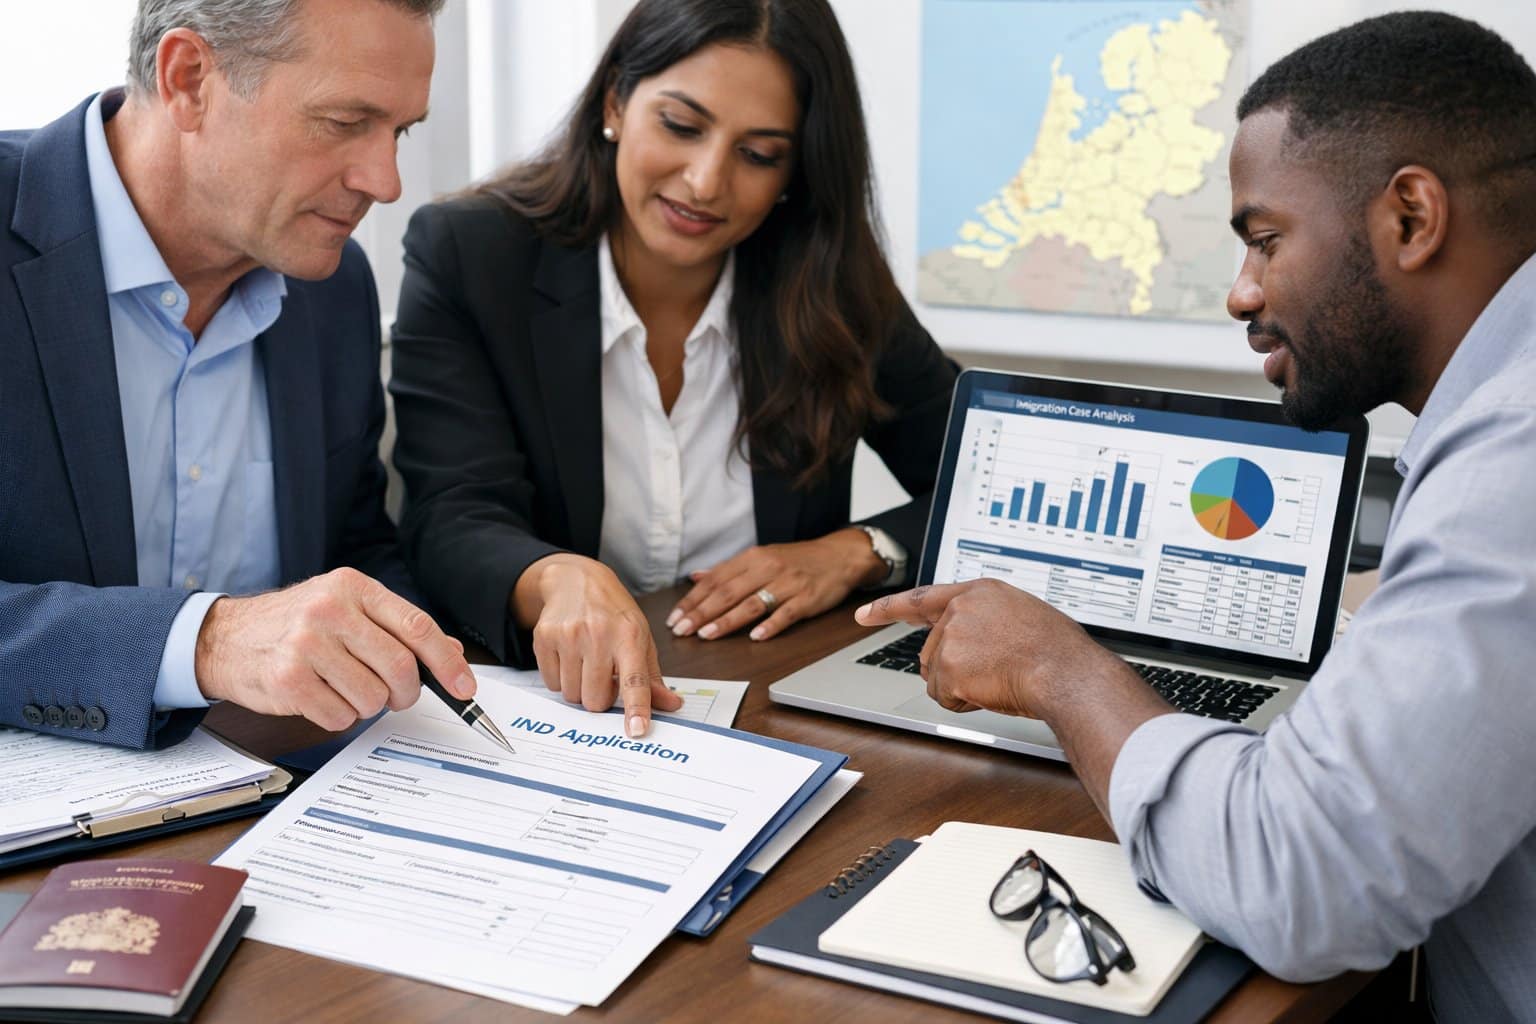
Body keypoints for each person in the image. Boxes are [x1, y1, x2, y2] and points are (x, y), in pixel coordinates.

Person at [856, 12, 1536, 1021]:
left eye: (1266, 239)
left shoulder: (1509, 465)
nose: (1241, 291)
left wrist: (1059, 665)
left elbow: (1301, 880)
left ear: (1410, 218)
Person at [390, 0, 957, 738]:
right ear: (616, 102)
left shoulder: (832, 282)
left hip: (773, 709)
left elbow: (986, 480)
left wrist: (859, 551)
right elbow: (451, 514)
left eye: (759, 154)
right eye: (682, 126)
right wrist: (554, 577)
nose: (705, 181)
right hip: (553, 714)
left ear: (796, 170)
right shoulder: (471, 253)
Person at [0, 0, 476, 751]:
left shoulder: (336, 284)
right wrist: (207, 642)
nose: (386, 182)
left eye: (401, 132)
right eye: (346, 121)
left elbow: (354, 544)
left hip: (285, 798)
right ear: (189, 79)